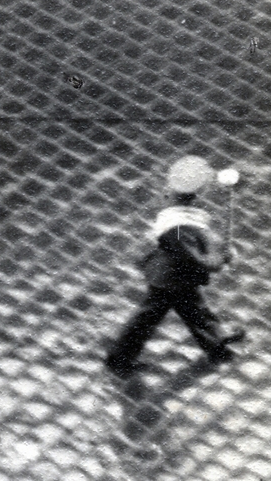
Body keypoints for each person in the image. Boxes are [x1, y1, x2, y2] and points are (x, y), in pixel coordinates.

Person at [105, 156, 245, 372]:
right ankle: (118, 360)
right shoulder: (181, 228)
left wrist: (220, 251)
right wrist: (220, 259)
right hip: (171, 278)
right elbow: (198, 257)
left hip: (172, 274)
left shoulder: (175, 216)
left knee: (193, 310)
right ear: (199, 192)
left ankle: (217, 342)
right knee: (150, 318)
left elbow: (199, 241)